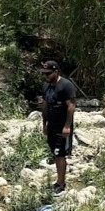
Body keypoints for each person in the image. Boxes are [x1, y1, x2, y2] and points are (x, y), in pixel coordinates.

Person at [40, 60, 77, 196]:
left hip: (62, 126)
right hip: (52, 125)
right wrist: (44, 124)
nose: (46, 76)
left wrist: (67, 126)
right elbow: (44, 105)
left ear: (56, 72)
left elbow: (71, 106)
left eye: (48, 74)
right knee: (54, 153)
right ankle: (58, 181)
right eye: (44, 74)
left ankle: (61, 183)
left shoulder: (66, 85)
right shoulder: (46, 86)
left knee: (59, 153)